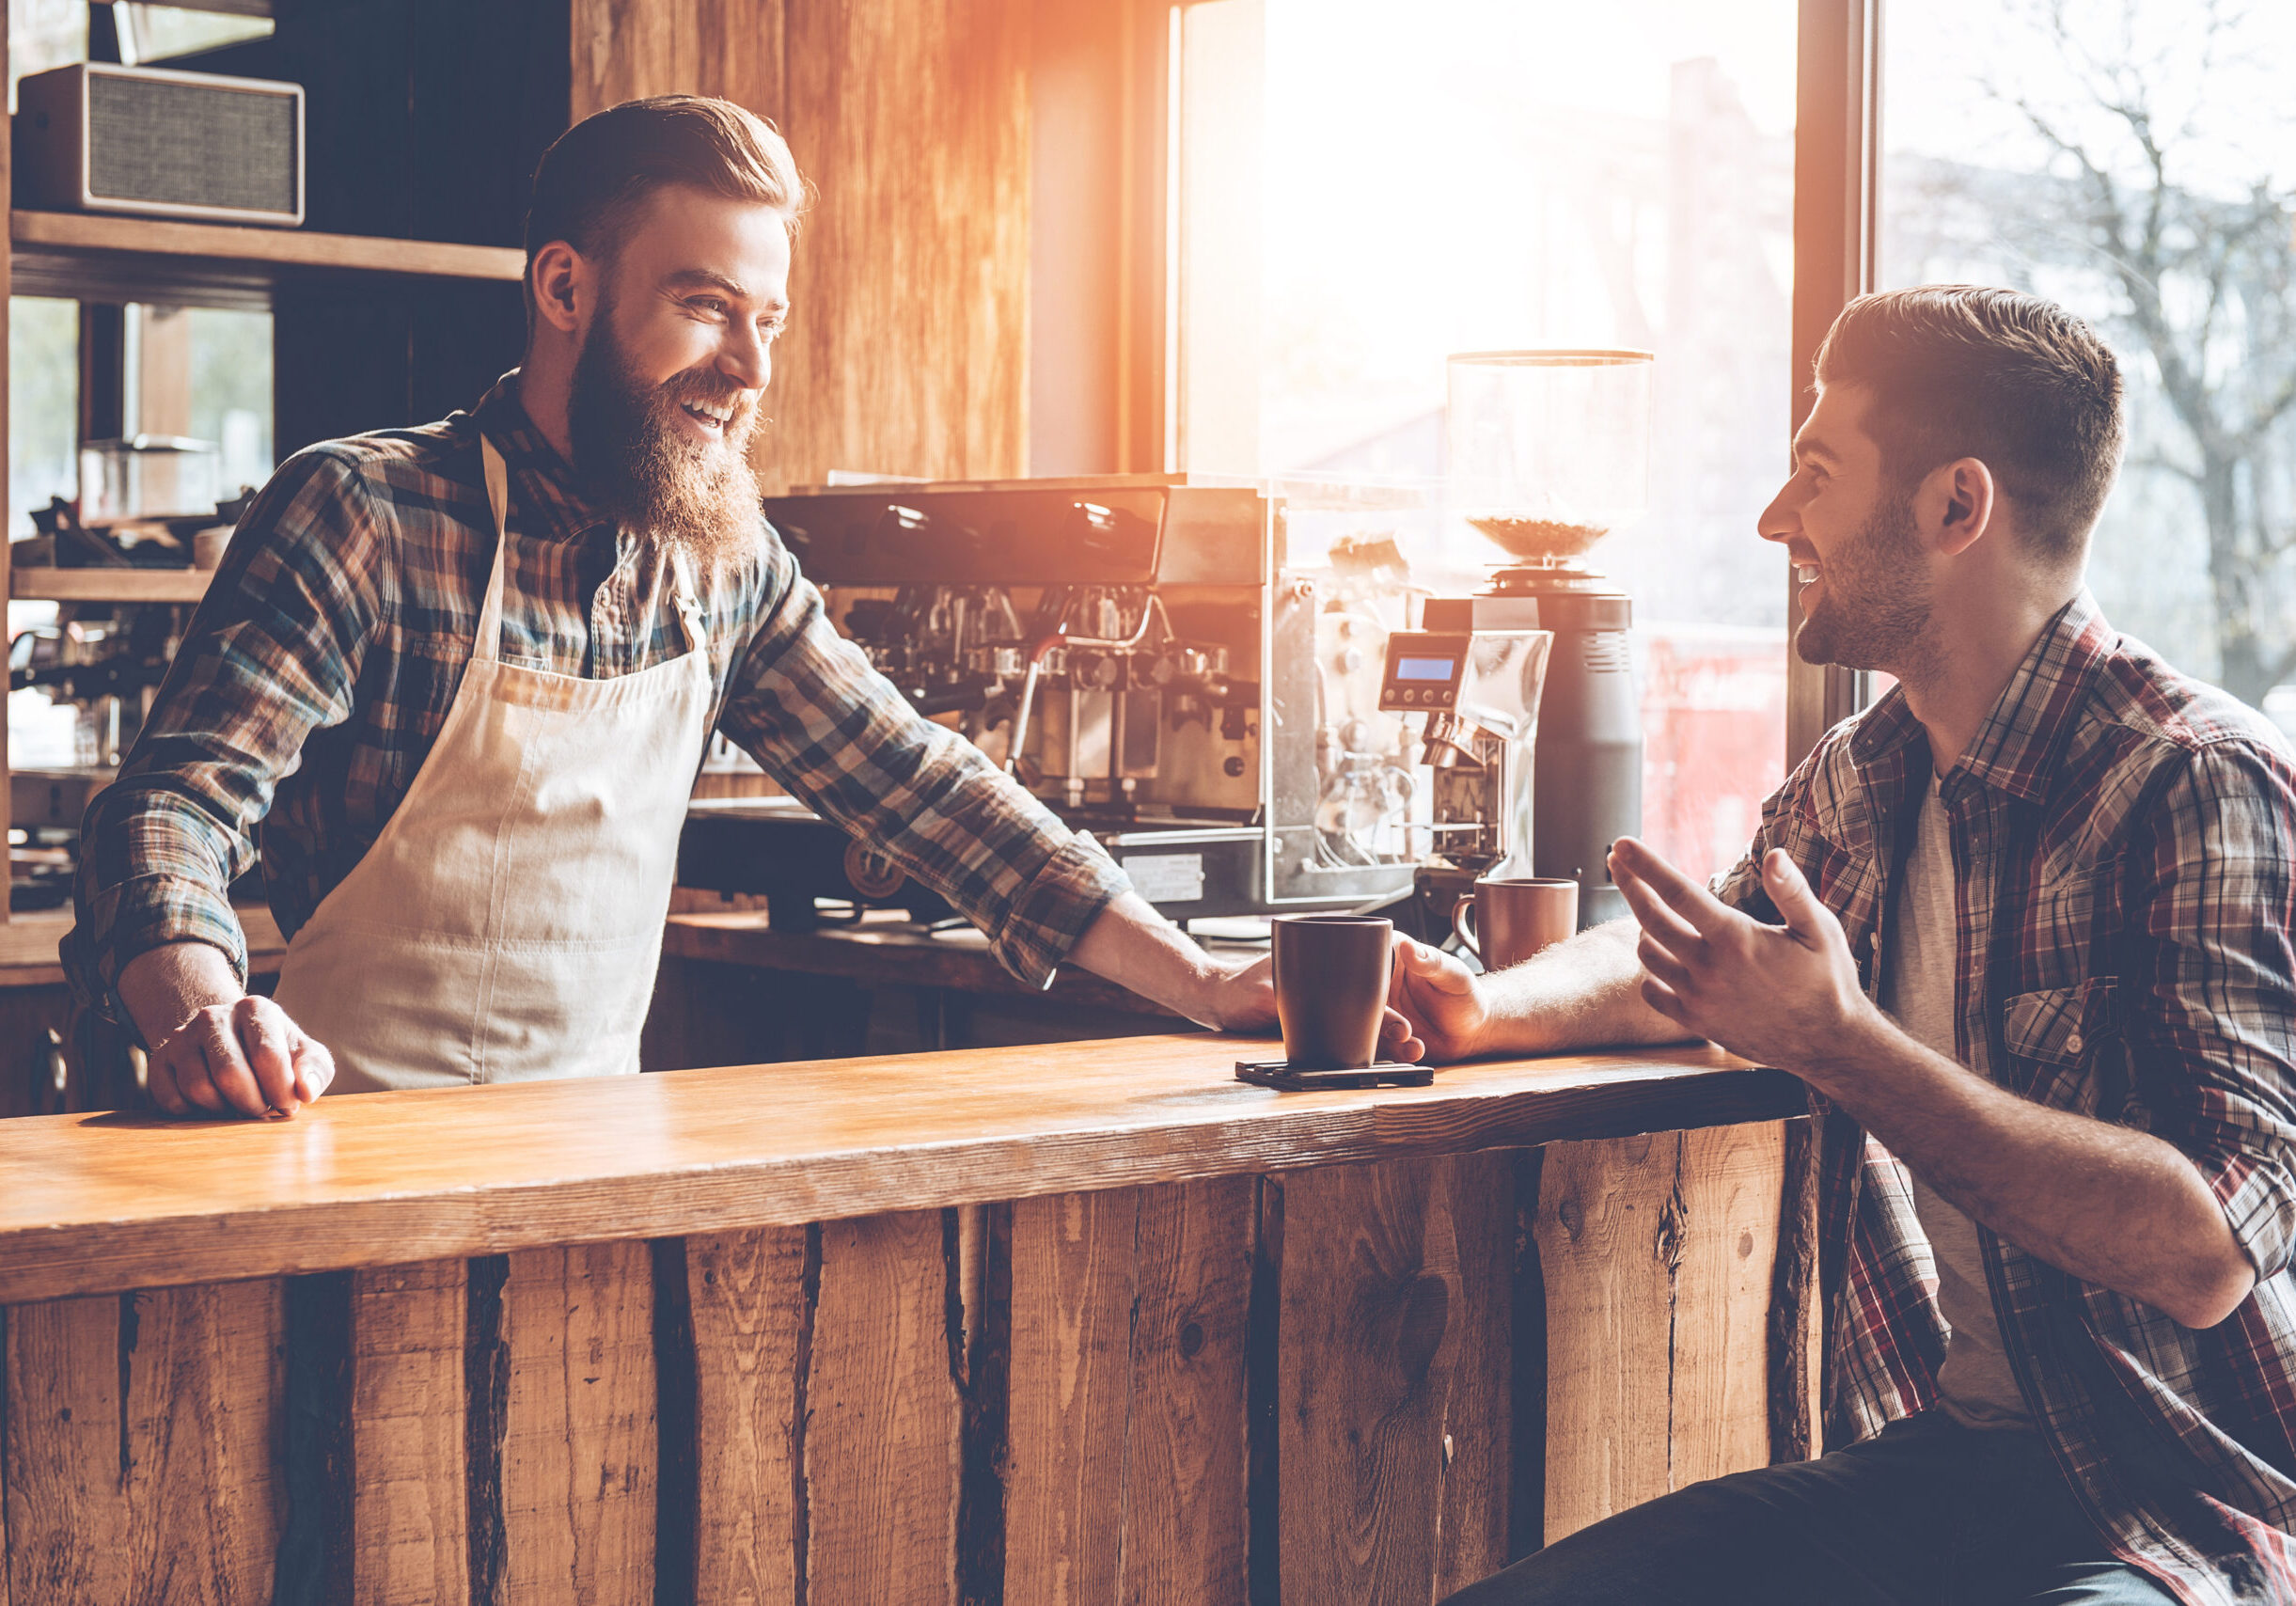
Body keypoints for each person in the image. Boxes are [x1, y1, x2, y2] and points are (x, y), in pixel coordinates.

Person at [64, 95, 1281, 1118]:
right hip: (346, 1153)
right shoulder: (368, 514)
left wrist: (1203, 980)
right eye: (704, 307)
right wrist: (205, 1009)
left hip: (603, 1164)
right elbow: (172, 808)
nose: (747, 369)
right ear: (562, 287)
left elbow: (919, 787)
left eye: (767, 322)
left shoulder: (725, 562)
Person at [1394, 288, 2296, 1604]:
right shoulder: (1866, 772)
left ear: (1953, 508)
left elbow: (2208, 1250)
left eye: (1814, 475)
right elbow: (1711, 947)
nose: (1775, 520)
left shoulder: (2188, 779)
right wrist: (1481, 1008)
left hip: (2186, 1508)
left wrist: (1840, 1044)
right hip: (1956, 1468)